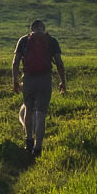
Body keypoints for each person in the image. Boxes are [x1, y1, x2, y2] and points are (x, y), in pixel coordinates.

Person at [11, 18, 66, 156]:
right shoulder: (51, 41)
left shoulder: (23, 40)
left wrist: (15, 81)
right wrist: (63, 81)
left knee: (28, 110)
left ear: (32, 28)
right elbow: (59, 63)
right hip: (45, 80)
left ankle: (28, 140)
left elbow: (15, 63)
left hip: (28, 79)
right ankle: (38, 147)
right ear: (43, 28)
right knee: (41, 113)